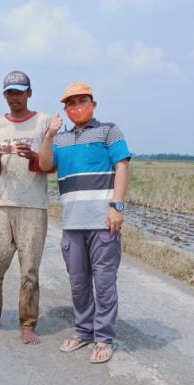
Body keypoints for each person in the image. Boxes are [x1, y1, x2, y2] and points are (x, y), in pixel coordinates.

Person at [38, 82, 132, 364]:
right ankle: (83, 331)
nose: (76, 107)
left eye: (82, 101)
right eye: (70, 103)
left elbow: (122, 166)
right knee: (78, 283)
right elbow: (44, 165)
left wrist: (117, 206)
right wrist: (49, 135)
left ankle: (103, 337)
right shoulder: (60, 139)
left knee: (104, 283)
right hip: (72, 223)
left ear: (93, 104)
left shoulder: (108, 131)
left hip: (103, 222)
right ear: (65, 110)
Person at [0, 70, 55, 345]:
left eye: (19, 92)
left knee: (29, 268)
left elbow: (50, 165)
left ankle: (27, 323)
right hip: (0, 203)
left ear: (29, 93)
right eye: (10, 93)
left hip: (33, 204)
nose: (14, 98)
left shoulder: (44, 123)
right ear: (4, 96)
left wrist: (32, 155)